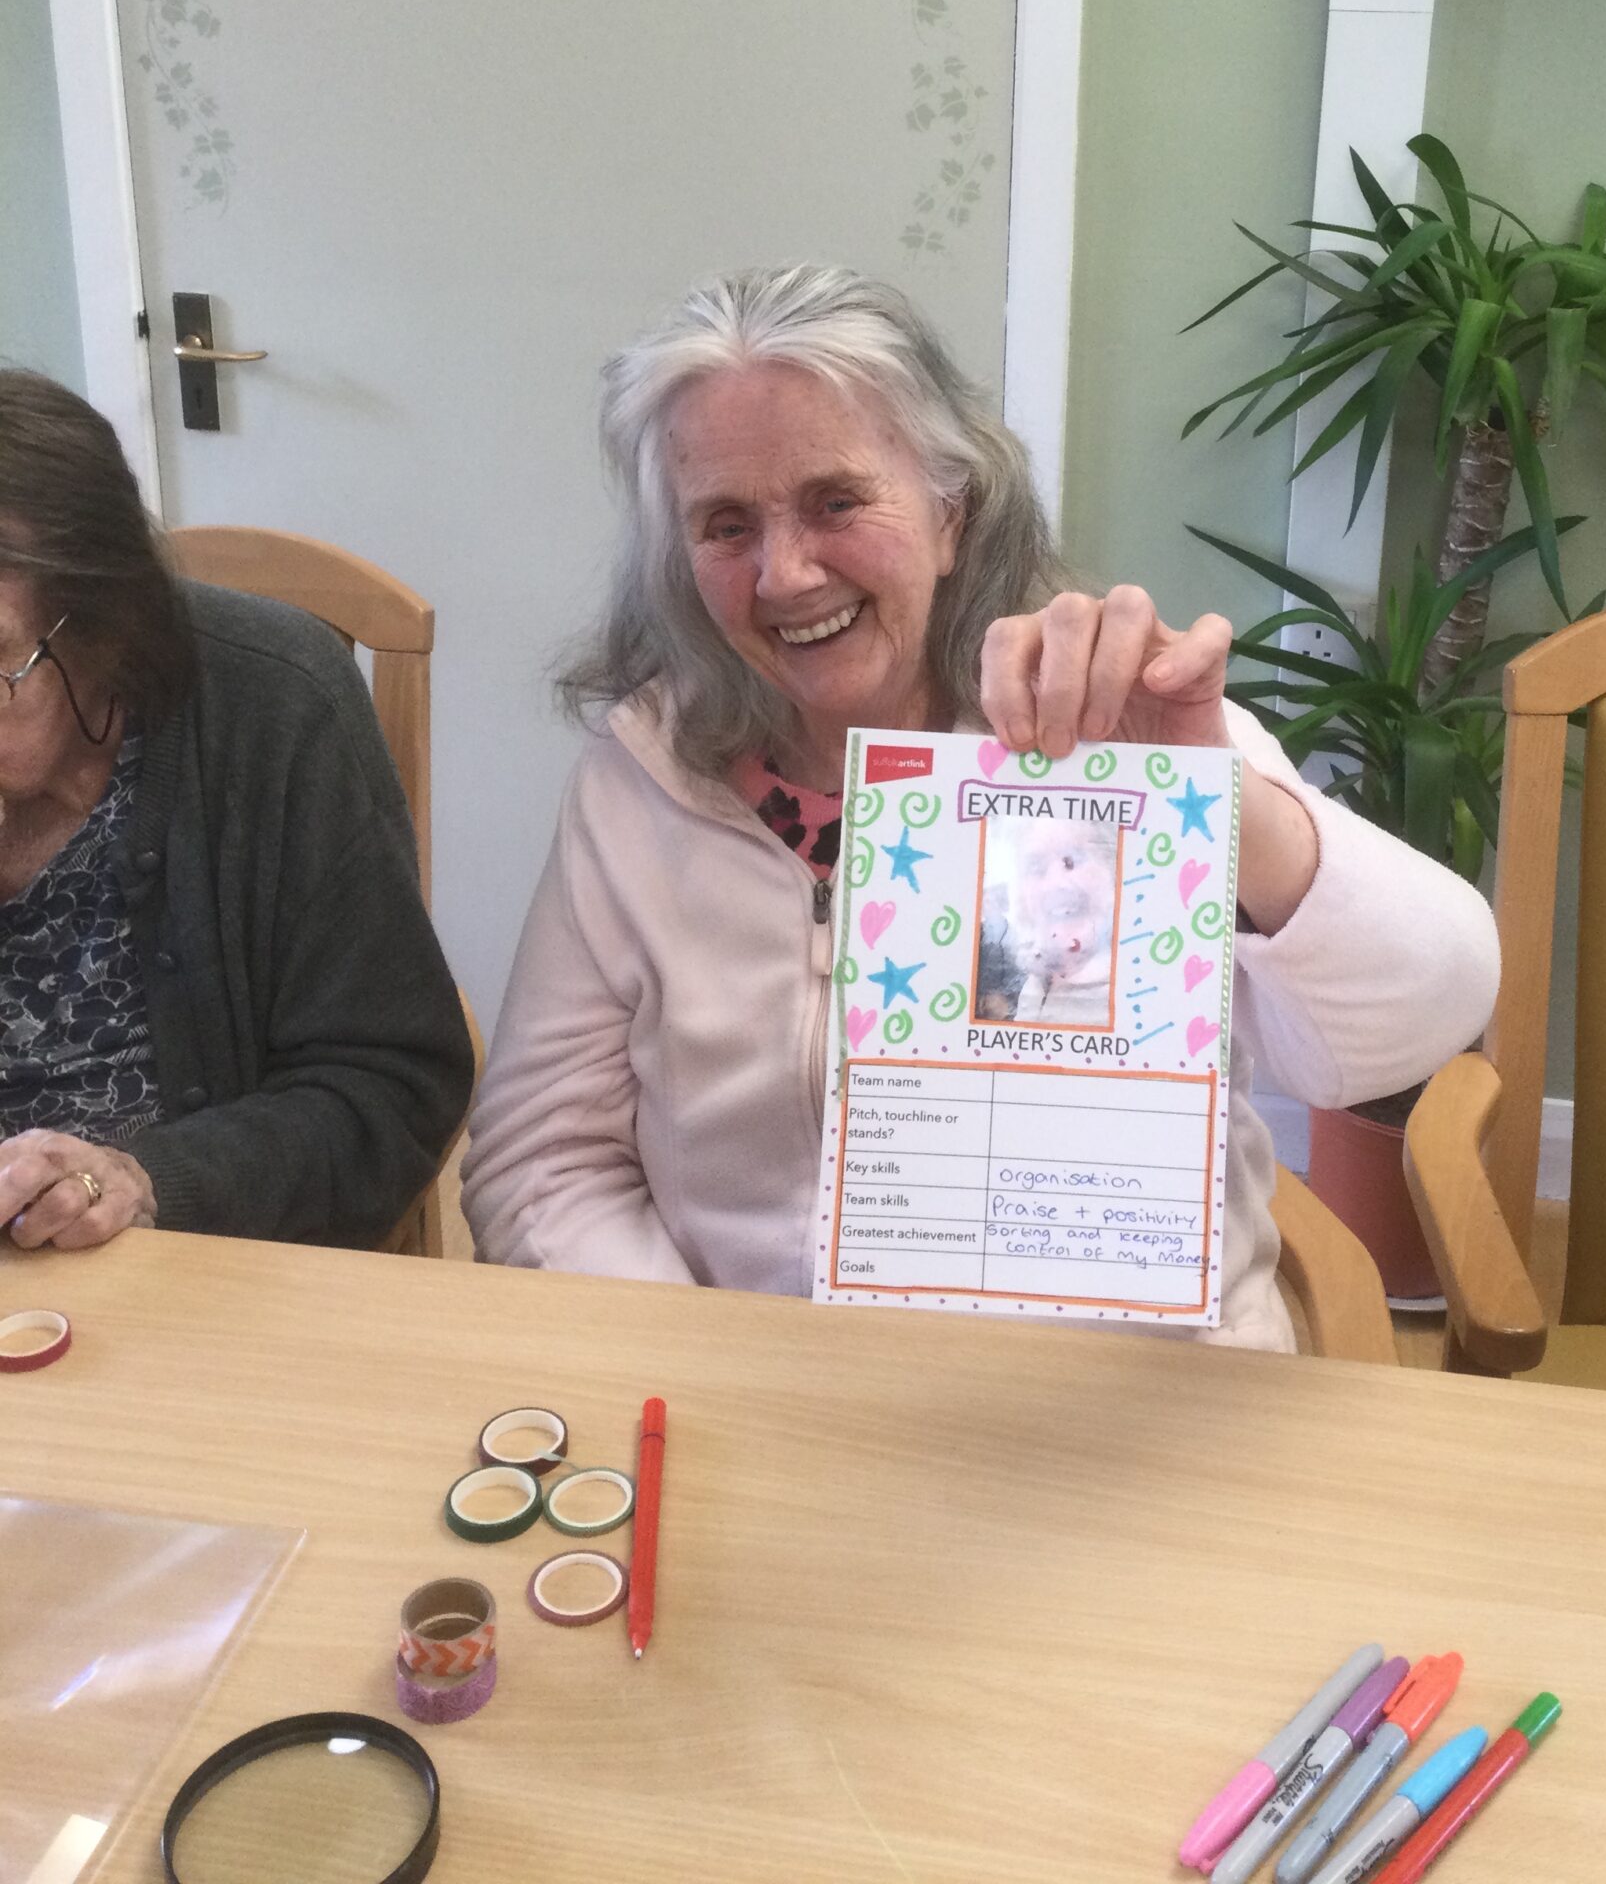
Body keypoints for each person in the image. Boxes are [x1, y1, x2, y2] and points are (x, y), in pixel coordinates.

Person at [463, 266, 1499, 1349]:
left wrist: (1221, 806)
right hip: (767, 1401)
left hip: (1127, 1409)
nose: (785, 573)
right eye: (725, 524)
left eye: (835, 500)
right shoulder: (641, 777)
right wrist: (717, 1369)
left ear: (951, 515)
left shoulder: (1105, 730)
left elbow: (1430, 1011)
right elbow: (544, 1158)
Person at [0, 370, 472, 1251]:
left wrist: (149, 1181)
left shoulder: (272, 704)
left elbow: (390, 1086)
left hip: (217, 1273)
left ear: (102, 627)